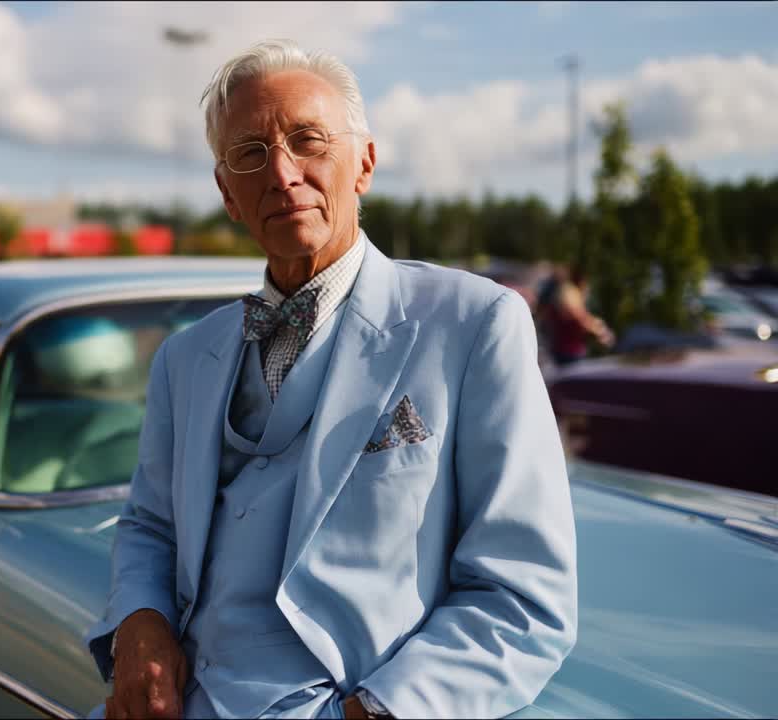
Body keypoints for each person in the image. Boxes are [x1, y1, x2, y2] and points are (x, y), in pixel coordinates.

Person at [84, 40, 577, 719]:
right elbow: (149, 525)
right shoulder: (185, 357)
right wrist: (139, 624)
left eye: (308, 141)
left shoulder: (473, 325)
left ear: (365, 163)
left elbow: (523, 596)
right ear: (227, 194)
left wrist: (379, 710)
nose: (282, 173)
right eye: (250, 155)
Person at [540, 264, 614, 366]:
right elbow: (578, 317)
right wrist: (600, 331)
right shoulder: (568, 292)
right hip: (569, 350)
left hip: (565, 349)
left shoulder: (564, 291)